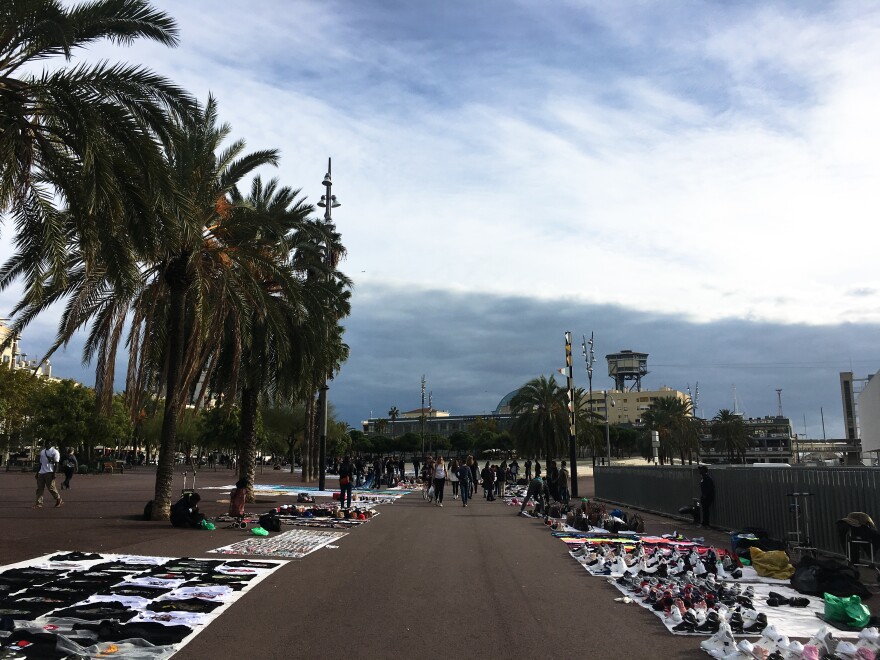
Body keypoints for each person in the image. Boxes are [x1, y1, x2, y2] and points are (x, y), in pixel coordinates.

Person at [34, 440, 63, 508]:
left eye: (47, 443)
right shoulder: (42, 451)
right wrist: (37, 472)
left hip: (50, 472)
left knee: (51, 488)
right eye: (45, 443)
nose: (46, 445)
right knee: (39, 488)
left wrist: (54, 473)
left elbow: (56, 463)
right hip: (42, 472)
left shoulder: (54, 451)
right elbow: (40, 463)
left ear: (50, 444)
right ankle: (39, 503)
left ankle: (58, 499)